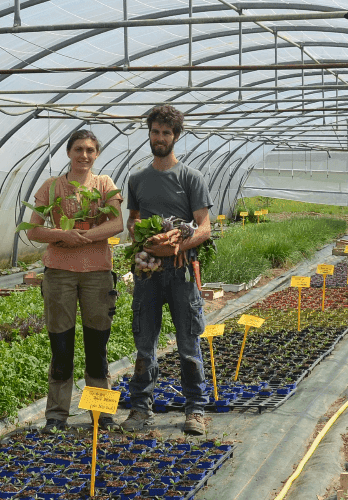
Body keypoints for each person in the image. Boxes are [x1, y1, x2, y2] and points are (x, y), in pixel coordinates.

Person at [121, 105, 214, 435]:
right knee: (145, 344)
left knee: (188, 345)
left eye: (166, 133)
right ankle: (139, 410)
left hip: (181, 272)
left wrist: (177, 244)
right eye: (155, 132)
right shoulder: (137, 179)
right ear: (149, 134)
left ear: (176, 136)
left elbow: (205, 227)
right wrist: (143, 236)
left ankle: (195, 410)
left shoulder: (191, 177)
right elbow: (133, 220)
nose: (159, 138)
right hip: (148, 272)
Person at [24, 129, 124, 431]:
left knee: (97, 345)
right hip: (59, 273)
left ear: (97, 154)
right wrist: (62, 235)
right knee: (61, 345)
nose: (84, 155)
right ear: (68, 152)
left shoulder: (104, 185)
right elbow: (33, 230)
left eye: (90, 150)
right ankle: (56, 415)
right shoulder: (52, 187)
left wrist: (82, 237)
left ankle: (101, 413)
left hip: (97, 274)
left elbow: (117, 223)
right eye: (78, 149)